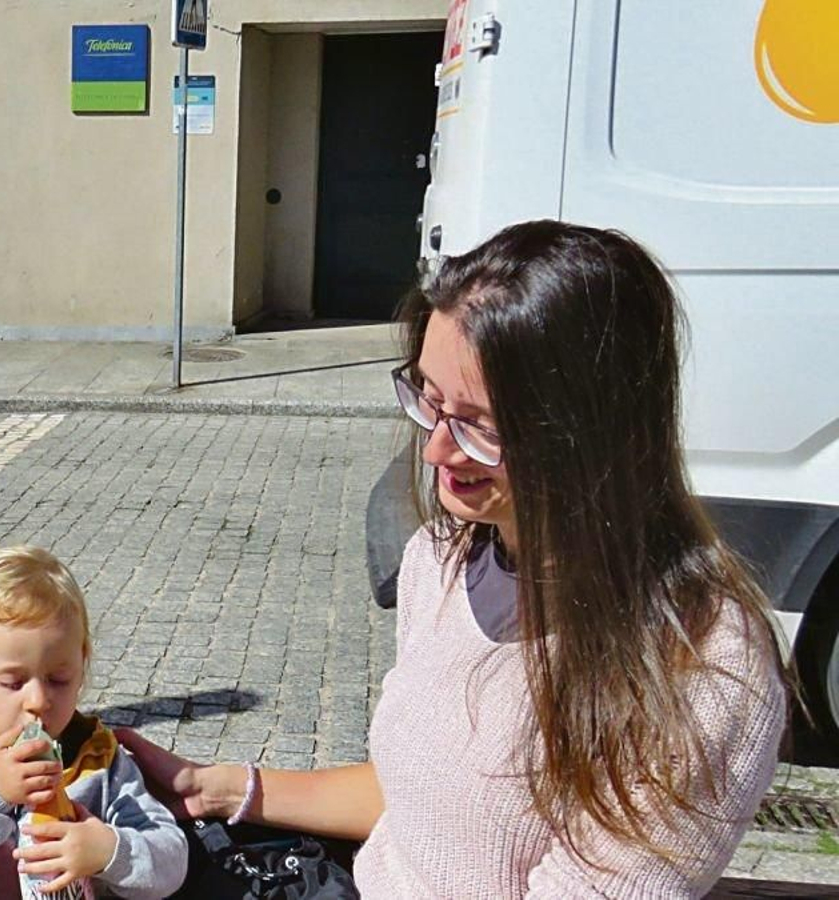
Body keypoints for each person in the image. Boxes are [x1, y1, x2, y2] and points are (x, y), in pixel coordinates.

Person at [118, 220, 789, 898]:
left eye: (481, 425)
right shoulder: (443, 560)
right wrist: (214, 787)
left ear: (594, 432)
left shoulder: (703, 666)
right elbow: (422, 799)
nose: (437, 449)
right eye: (430, 401)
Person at [0, 546, 187, 898]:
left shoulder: (97, 757)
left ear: (81, 664)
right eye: (13, 683)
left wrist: (109, 851)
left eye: (58, 679)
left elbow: (171, 860)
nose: (37, 701)